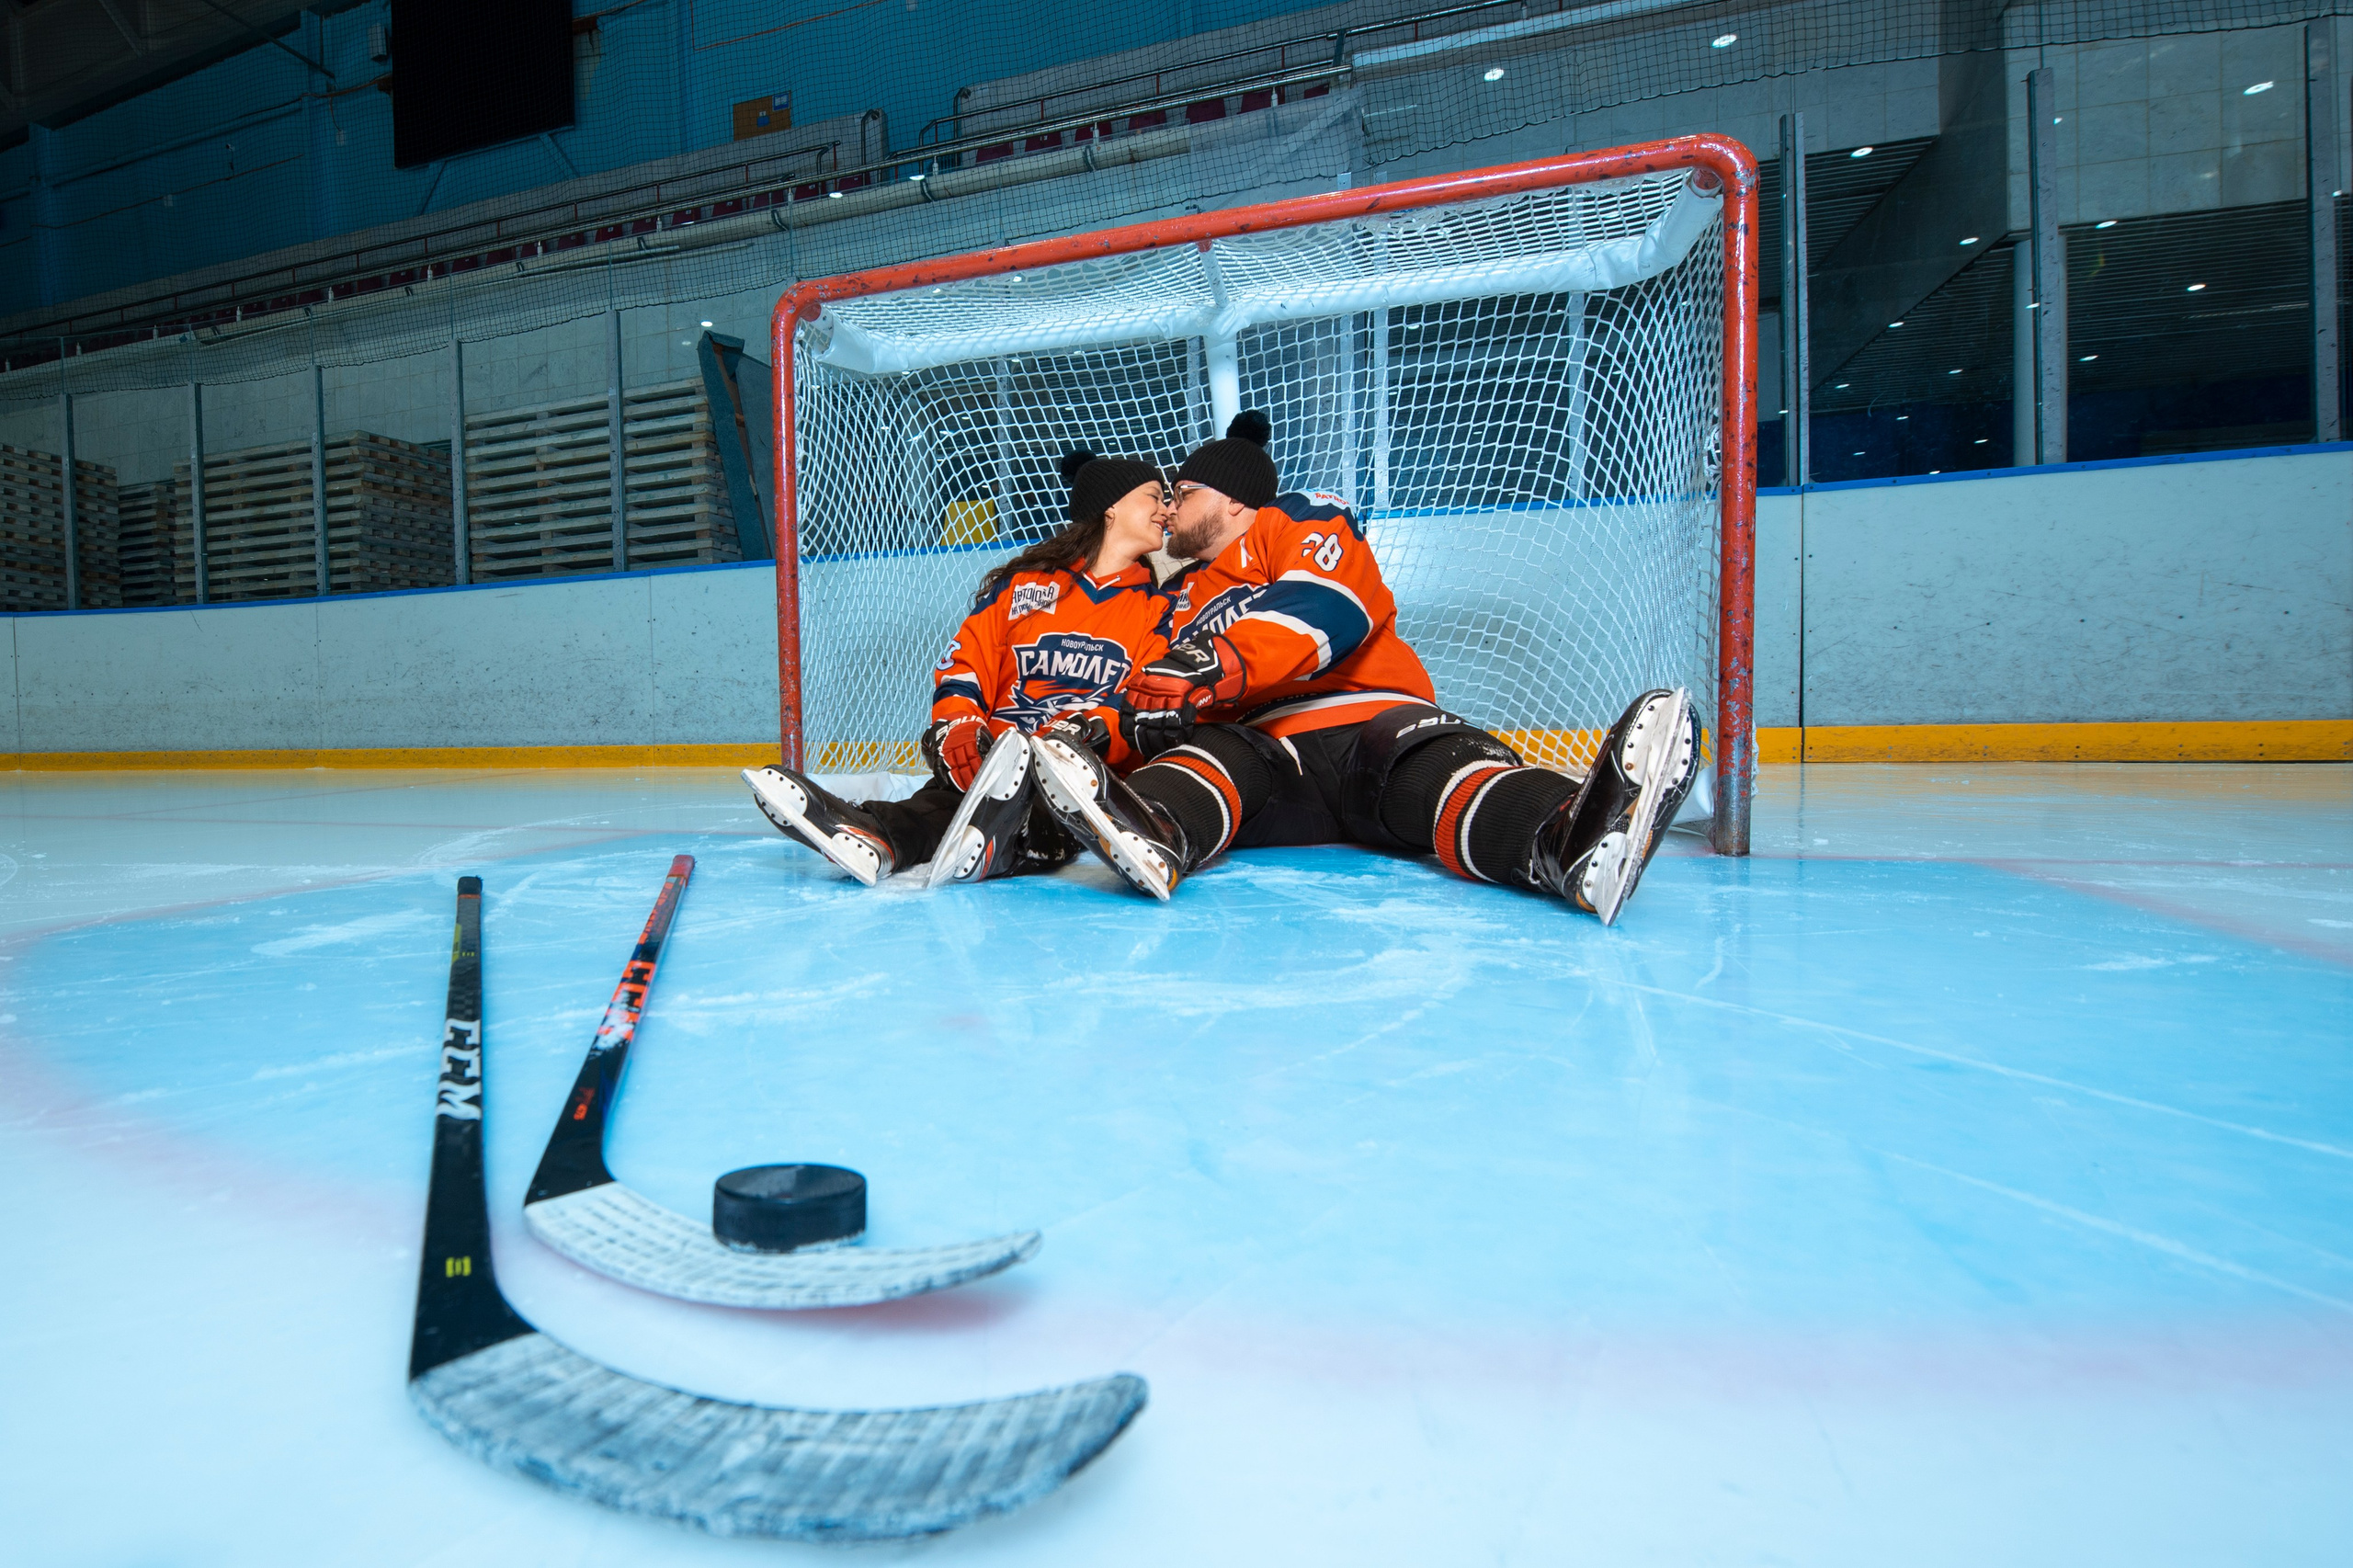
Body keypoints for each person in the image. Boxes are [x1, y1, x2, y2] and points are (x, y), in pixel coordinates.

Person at [1027, 411, 1702, 925]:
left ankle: (1567, 839)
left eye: (1186, 491)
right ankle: (1158, 831)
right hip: (1264, 751)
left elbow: (1328, 604)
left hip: (1365, 721)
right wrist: (1092, 735)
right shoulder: (1177, 597)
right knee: (1207, 758)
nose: (1171, 508)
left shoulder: (1294, 520)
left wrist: (1217, 661)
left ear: (1232, 499)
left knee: (1434, 766)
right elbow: (1146, 688)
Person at [744, 449, 1176, 887]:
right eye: (1155, 496)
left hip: (1071, 773)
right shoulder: (1027, 587)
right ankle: (874, 838)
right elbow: (967, 663)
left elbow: (1142, 697)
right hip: (999, 758)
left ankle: (999, 844)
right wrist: (960, 726)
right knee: (939, 802)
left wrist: (1078, 738)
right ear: (1111, 508)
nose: (1167, 509)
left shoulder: (1159, 609)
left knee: (1051, 810)